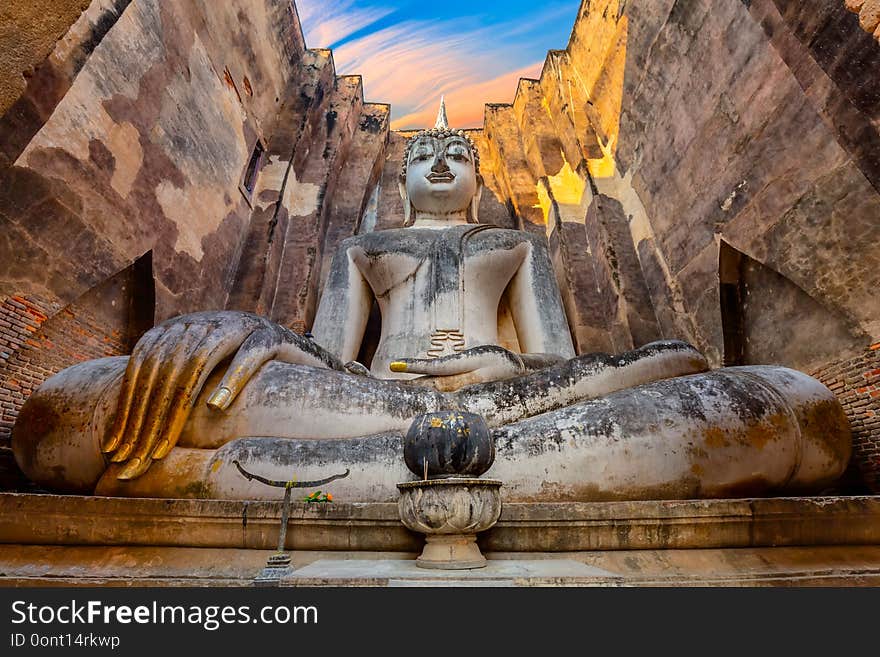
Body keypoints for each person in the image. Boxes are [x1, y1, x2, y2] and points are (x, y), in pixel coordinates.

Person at [12, 103, 851, 501]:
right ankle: (460, 466)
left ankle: (268, 480)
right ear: (404, 175)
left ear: (481, 177)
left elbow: (562, 360)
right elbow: (323, 353)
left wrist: (501, 366)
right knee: (69, 406)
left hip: (522, 400)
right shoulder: (364, 246)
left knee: (784, 403)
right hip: (362, 402)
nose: (444, 158)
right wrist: (245, 332)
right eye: (428, 151)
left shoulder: (513, 244)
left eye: (459, 150)